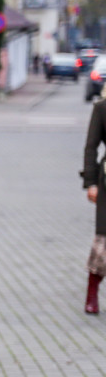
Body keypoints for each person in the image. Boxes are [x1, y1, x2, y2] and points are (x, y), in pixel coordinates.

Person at [82, 96, 106, 314]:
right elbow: (91, 147)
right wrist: (91, 182)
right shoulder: (102, 107)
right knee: (103, 243)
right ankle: (92, 292)